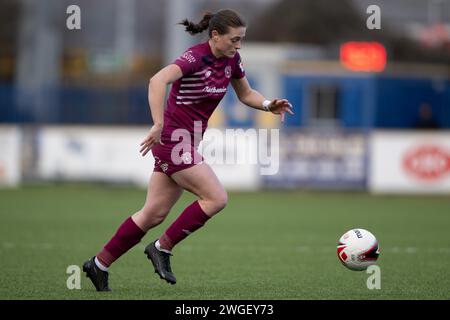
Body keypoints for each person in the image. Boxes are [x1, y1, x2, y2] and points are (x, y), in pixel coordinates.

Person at [82, 9, 294, 291]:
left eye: (242, 39)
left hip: (188, 142)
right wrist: (158, 123)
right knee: (216, 198)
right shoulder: (195, 57)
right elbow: (157, 81)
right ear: (215, 36)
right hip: (173, 141)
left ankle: (98, 265)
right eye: (234, 39)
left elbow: (245, 94)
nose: (238, 45)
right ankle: (162, 248)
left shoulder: (232, 60)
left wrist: (268, 105)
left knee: (152, 214)